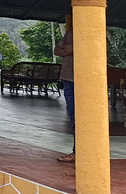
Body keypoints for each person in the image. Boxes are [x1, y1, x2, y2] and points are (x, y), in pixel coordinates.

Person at [54, 23, 74, 163]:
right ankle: (76, 152)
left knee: (81, 117)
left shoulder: (93, 30)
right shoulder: (70, 33)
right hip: (67, 79)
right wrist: (71, 49)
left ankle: (80, 152)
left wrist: (66, 48)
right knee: (73, 116)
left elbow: (83, 48)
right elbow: (56, 50)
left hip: (80, 80)